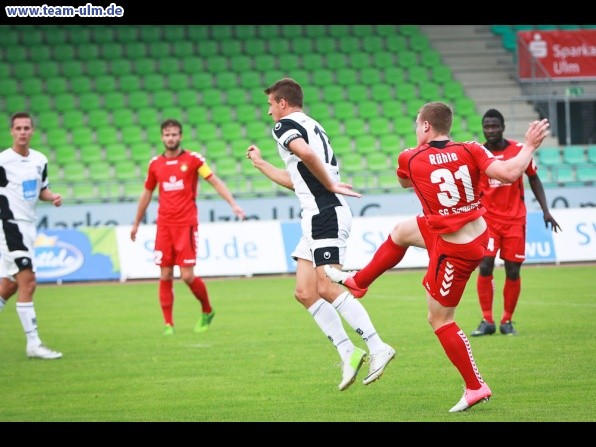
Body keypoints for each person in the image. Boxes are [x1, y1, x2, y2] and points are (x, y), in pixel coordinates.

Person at [325, 102, 550, 411]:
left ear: (426, 127)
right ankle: (358, 281)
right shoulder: (471, 149)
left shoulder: (410, 156)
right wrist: (529, 145)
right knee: (402, 232)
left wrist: (411, 158)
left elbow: (405, 181)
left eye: (418, 125)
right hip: (476, 234)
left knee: (440, 319)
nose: (417, 130)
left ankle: (475, 386)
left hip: (455, 250)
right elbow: (511, 173)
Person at [246, 78, 395, 391]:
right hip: (315, 214)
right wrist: (261, 164)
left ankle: (377, 345)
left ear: (282, 103)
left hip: (325, 214)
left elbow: (308, 158)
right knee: (305, 291)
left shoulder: (284, 126)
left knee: (327, 287)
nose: (269, 111)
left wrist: (328, 185)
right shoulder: (311, 124)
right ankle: (348, 351)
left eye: (271, 104)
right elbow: (296, 178)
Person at [130, 119, 246, 335]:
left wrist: (233, 204)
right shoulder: (155, 164)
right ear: (162, 137)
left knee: (186, 276)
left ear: (180, 136)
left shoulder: (194, 160)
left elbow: (214, 181)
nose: (170, 138)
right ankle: (168, 324)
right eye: (167, 134)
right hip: (164, 226)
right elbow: (147, 193)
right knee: (164, 274)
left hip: (186, 225)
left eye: (174, 134)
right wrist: (136, 223)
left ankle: (207, 310)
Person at [471, 109, 561, 337]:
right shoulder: (478, 154)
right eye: (487, 126)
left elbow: (533, 178)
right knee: (485, 266)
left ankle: (507, 321)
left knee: (513, 270)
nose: (490, 130)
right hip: (488, 221)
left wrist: (546, 211)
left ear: (502, 127)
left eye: (494, 126)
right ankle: (487, 320)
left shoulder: (519, 151)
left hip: (514, 220)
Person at [0, 112, 63, 359]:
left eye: (27, 128)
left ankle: (33, 344)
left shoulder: (39, 160)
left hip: (28, 227)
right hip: (9, 226)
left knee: (9, 285)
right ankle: (33, 343)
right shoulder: (3, 160)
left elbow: (42, 190)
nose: (23, 132)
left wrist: (53, 196)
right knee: (29, 282)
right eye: (18, 128)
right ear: (12, 132)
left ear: (32, 131)